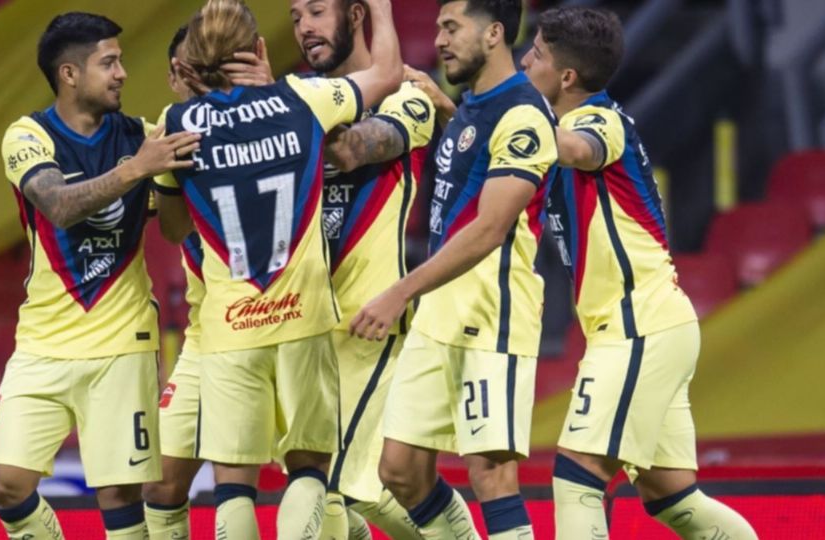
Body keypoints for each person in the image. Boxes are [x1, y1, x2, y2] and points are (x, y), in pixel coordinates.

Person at [155, 0, 402, 538]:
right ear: (260, 49)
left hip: (229, 330)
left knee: (233, 488)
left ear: (188, 66)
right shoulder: (303, 98)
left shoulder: (174, 127)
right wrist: (381, 7)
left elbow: (173, 229)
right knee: (309, 470)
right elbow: (387, 73)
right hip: (304, 320)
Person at [519, 7, 758, 539]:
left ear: (567, 76)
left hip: (637, 326)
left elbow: (576, 150)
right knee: (673, 499)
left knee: (577, 479)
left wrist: (504, 110)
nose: (524, 62)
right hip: (650, 326)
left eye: (535, 54)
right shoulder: (565, 124)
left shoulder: (598, 122)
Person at [350, 0, 557, 537]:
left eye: (451, 27)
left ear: (493, 33)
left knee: (491, 473)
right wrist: (448, 110)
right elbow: (475, 159)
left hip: (491, 315)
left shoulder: (524, 114)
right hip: (440, 312)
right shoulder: (474, 104)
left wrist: (399, 292)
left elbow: (489, 229)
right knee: (399, 470)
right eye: (438, 28)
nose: (439, 40)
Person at [0, 12, 198, 540]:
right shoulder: (28, 135)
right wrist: (137, 169)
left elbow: (175, 225)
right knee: (7, 484)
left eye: (120, 61)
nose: (122, 73)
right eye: (109, 63)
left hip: (122, 342)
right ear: (69, 74)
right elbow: (59, 205)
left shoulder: (142, 136)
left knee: (120, 496)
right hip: (42, 342)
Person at [284, 0, 437, 538]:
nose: (305, 27)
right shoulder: (296, 97)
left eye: (317, 12)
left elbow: (349, 151)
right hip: (300, 322)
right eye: (295, 17)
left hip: (367, 322)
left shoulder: (407, 98)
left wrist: (275, 119)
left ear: (356, 15)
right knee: (351, 490)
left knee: (333, 482)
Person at [141, 25, 275, 540]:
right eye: (189, 68)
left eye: (208, 66)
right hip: (208, 331)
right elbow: (170, 227)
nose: (198, 76)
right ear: (175, 75)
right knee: (161, 483)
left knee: (327, 485)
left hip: (280, 319)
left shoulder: (274, 118)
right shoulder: (165, 140)